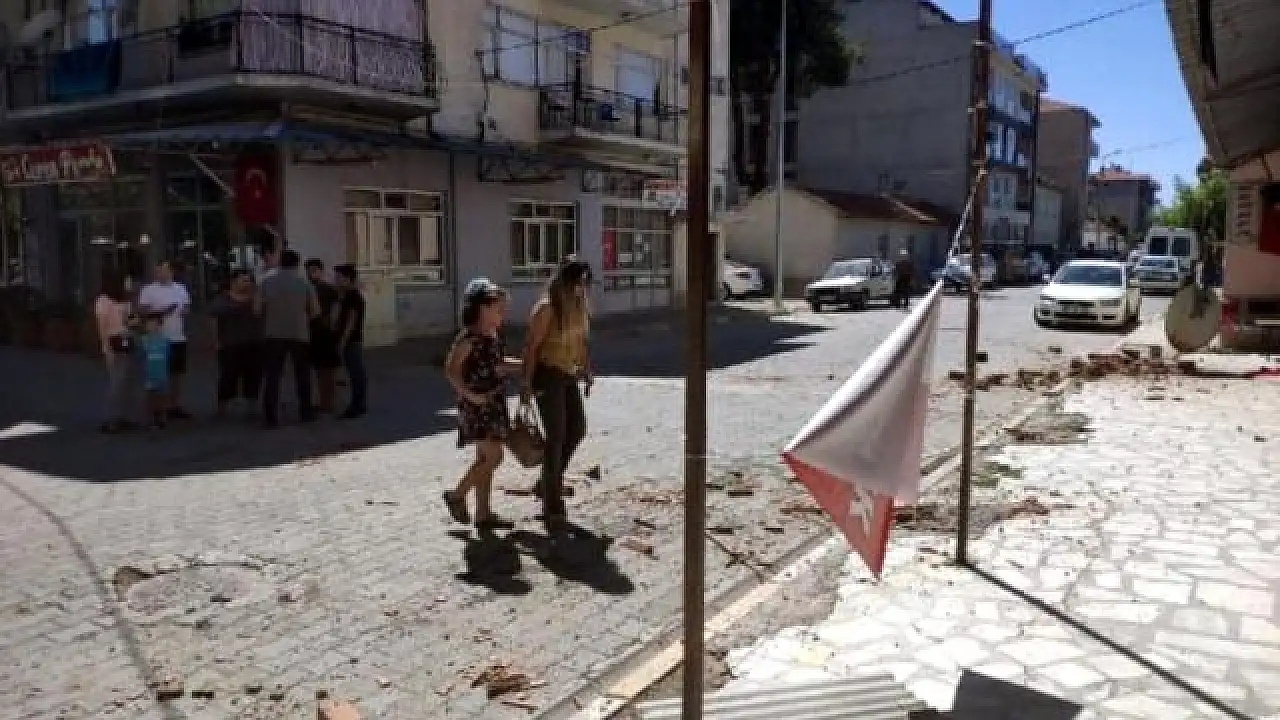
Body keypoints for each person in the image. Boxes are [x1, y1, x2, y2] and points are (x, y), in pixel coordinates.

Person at [443, 278, 522, 528]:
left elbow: (499, 365)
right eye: (498, 308)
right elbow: (451, 370)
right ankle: (457, 495)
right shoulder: (468, 338)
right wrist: (470, 395)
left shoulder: (493, 336)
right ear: (483, 308)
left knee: (484, 460)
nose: (502, 313)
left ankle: (483, 514)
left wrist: (527, 366)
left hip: (494, 403)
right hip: (476, 407)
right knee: (494, 457)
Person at [521, 257, 593, 531]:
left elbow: (581, 341)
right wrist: (526, 384)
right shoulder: (547, 308)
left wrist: (586, 369)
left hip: (567, 374)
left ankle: (548, 481)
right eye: (579, 283)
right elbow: (531, 347)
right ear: (566, 281)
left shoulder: (579, 306)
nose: (583, 288)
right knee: (556, 436)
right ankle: (552, 505)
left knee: (577, 429)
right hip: (547, 374)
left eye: (585, 283)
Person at [256, 250, 319, 427]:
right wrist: (301, 318)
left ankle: (271, 416)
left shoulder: (266, 283)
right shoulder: (305, 284)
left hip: (273, 333)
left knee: (273, 376)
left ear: (280, 263)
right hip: (299, 334)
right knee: (303, 374)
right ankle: (306, 411)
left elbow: (256, 309)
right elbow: (315, 311)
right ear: (297, 264)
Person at [138, 259, 192, 419]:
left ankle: (173, 405)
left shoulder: (180, 288)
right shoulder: (149, 290)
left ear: (171, 271)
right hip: (157, 338)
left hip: (177, 337)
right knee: (157, 376)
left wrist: (184, 311)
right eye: (158, 270)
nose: (160, 273)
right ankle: (156, 409)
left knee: (177, 373)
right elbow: (143, 312)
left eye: (163, 270)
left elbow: (186, 307)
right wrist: (163, 311)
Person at [209, 270, 264, 418]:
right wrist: (216, 340)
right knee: (228, 375)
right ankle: (222, 405)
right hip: (230, 343)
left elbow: (260, 313)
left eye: (249, 280)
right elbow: (214, 319)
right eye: (243, 280)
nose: (247, 283)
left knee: (253, 374)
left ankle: (252, 404)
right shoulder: (223, 299)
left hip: (254, 342)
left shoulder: (256, 298)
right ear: (233, 282)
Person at [94, 268, 137, 433]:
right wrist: (106, 347)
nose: (129, 284)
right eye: (126, 281)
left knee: (127, 382)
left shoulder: (125, 300)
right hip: (113, 343)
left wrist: (133, 320)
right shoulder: (103, 301)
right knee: (116, 383)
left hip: (127, 339)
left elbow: (130, 320)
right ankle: (110, 418)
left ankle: (123, 416)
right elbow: (102, 326)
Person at [305, 258, 341, 413]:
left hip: (326, 333)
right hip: (313, 333)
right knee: (319, 370)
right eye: (309, 271)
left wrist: (333, 325)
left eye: (314, 270)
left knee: (328, 370)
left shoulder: (329, 290)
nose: (311, 274)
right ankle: (323, 401)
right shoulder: (306, 288)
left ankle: (329, 402)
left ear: (321, 271)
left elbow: (336, 309)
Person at [333, 264, 368, 419]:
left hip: (352, 340)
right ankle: (358, 404)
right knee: (355, 372)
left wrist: (342, 341)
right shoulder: (346, 296)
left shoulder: (353, 297)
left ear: (348, 279)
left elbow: (351, 322)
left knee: (356, 373)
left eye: (339, 278)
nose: (336, 281)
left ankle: (357, 405)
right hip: (350, 340)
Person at [138, 314, 172, 429]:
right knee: (149, 397)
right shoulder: (144, 340)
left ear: (160, 325)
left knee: (162, 397)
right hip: (149, 373)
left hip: (161, 373)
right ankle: (148, 419)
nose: (152, 327)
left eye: (155, 324)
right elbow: (140, 356)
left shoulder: (165, 340)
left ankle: (162, 418)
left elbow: (168, 356)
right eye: (149, 324)